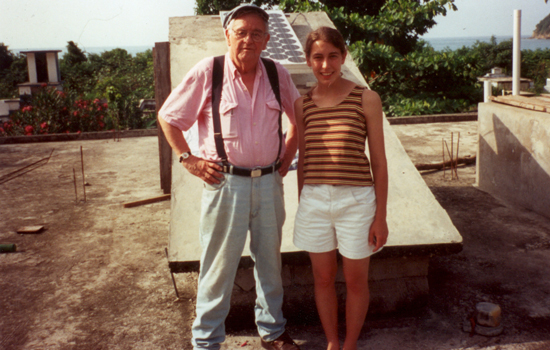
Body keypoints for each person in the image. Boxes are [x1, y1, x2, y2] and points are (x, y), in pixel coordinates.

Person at [158, 4, 301, 350]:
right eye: (240, 32)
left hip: (268, 183)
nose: (248, 39)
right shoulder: (210, 71)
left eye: (256, 33)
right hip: (226, 185)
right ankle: (206, 341)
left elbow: (299, 118)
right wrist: (188, 159)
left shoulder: (275, 72)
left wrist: (287, 155)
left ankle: (273, 331)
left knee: (270, 261)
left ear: (266, 39)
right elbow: (168, 116)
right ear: (227, 36)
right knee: (218, 266)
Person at [293, 26, 389, 350]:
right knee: (322, 279)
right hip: (314, 200)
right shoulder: (301, 105)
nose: (325, 65)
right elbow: (303, 161)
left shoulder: (366, 98)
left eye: (332, 56)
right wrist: (303, 203)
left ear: (343, 56)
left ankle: (349, 345)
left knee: (355, 280)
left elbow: (379, 163)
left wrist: (381, 216)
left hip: (357, 201)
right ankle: (332, 342)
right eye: (317, 57)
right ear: (308, 60)